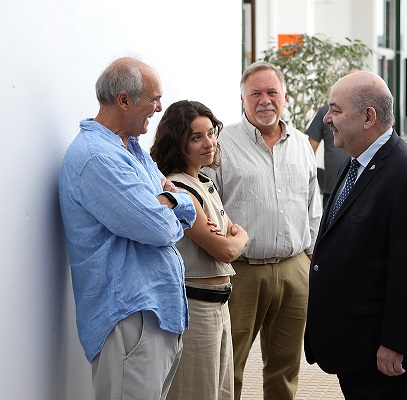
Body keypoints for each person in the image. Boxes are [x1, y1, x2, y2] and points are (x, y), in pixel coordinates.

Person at [58, 57, 197, 399]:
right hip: (131, 319)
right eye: (154, 98)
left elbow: (187, 203)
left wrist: (169, 201)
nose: (159, 107)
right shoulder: (97, 158)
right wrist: (170, 203)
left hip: (152, 315)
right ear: (124, 100)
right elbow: (157, 228)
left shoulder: (132, 149)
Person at [304, 71, 407, 399]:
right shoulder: (355, 161)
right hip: (357, 350)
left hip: (388, 360)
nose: (326, 119)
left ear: (368, 117)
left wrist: (396, 343)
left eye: (335, 110)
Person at [202, 61, 322, 400]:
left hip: (294, 270)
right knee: (229, 366)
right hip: (240, 273)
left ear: (285, 96)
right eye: (255, 94)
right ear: (242, 99)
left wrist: (311, 256)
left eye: (272, 92)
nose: (265, 100)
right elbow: (207, 204)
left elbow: (313, 204)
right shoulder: (221, 145)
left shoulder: (301, 144)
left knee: (285, 367)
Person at [150, 100, 250, 400]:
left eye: (211, 133)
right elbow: (227, 250)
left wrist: (234, 237)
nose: (209, 143)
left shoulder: (204, 183)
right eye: (196, 137)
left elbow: (230, 236)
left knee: (221, 392)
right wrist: (240, 237)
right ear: (176, 143)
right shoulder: (179, 190)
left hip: (220, 305)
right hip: (196, 308)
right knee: (197, 393)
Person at [306, 104, 349, 207]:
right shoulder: (325, 112)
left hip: (360, 189)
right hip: (331, 191)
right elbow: (308, 153)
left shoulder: (363, 110)